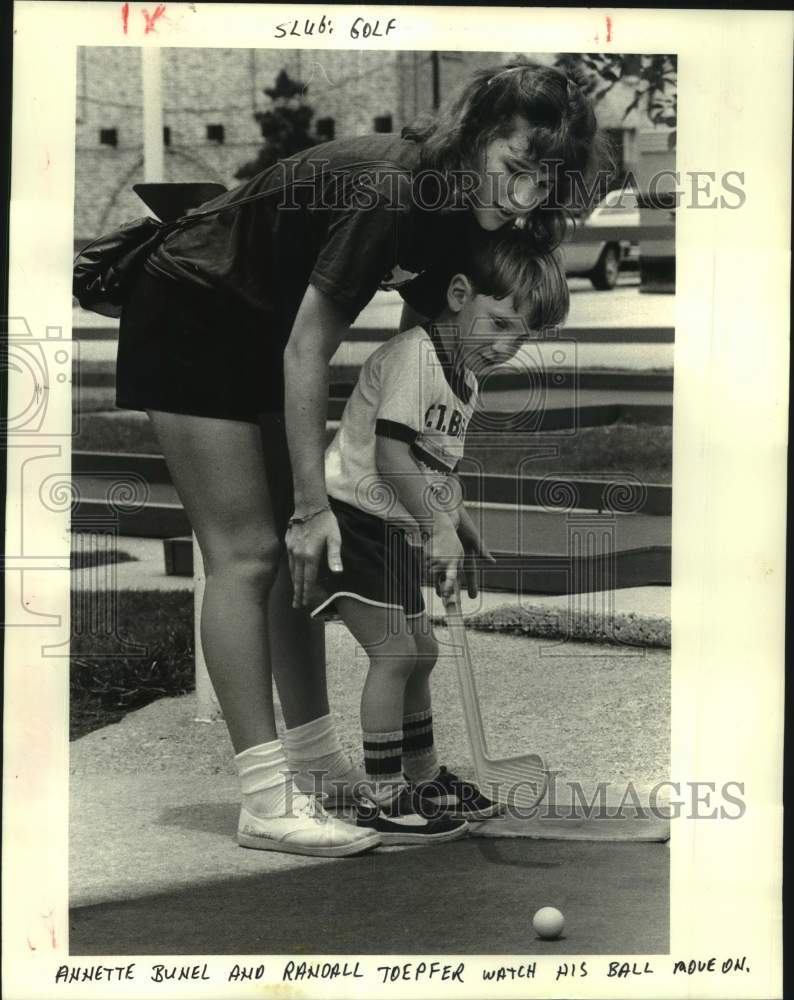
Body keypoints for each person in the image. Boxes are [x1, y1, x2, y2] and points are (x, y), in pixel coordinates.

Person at [115, 57, 605, 857]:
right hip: (193, 310)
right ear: (477, 138)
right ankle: (265, 802)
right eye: (514, 171)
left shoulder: (467, 214)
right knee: (252, 554)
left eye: (541, 186)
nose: (522, 199)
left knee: (294, 566)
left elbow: (421, 369)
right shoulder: (400, 189)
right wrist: (315, 504)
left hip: (263, 328)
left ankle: (316, 768)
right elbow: (311, 348)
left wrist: (445, 504)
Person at [307, 232, 569, 844]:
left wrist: (459, 518)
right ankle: (382, 795)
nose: (506, 346)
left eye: (520, 336)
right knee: (396, 654)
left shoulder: (466, 375)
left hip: (394, 526)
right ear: (459, 295)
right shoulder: (418, 358)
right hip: (355, 522)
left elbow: (435, 463)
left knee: (421, 653)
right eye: (499, 323)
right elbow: (392, 453)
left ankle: (422, 777)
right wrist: (435, 525)